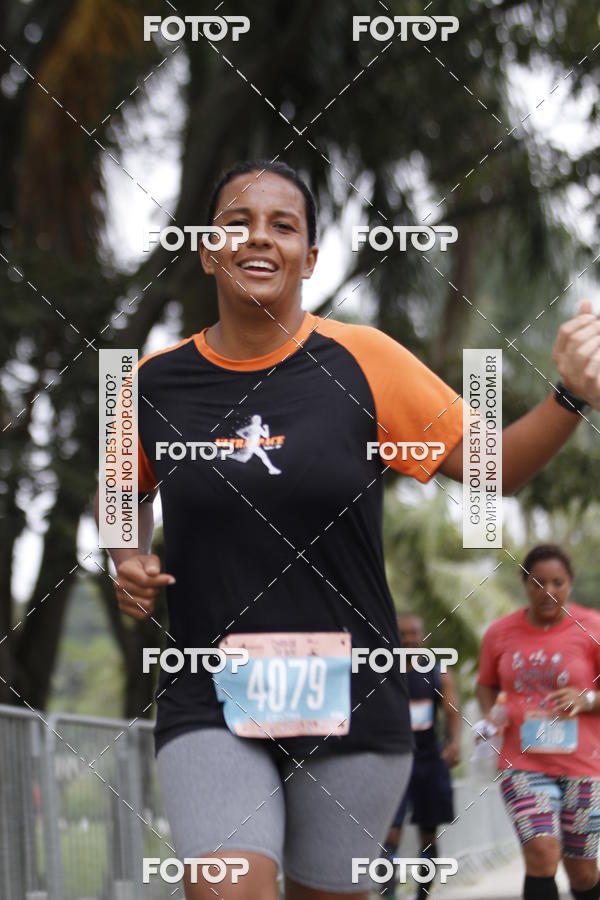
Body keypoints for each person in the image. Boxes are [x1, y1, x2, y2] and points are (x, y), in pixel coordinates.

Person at [95, 159, 600, 900]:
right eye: (236, 223)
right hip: (211, 695)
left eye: (283, 225)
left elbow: (493, 470)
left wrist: (571, 395)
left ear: (310, 256)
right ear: (206, 248)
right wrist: (126, 555)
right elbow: (119, 494)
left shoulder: (365, 360)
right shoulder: (149, 383)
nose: (258, 238)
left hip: (354, 697)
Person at [477, 544, 600, 900]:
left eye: (558, 583)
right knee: (542, 852)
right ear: (525, 584)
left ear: (570, 584)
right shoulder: (500, 633)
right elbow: (486, 684)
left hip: (583, 766)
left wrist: (586, 699)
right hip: (523, 764)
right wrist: (491, 715)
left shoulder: (591, 628)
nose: (548, 592)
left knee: (582, 869)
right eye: (538, 582)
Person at [383, 613, 462, 899]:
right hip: (394, 760)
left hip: (429, 761)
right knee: (389, 835)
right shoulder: (384, 671)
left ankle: (422, 895)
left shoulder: (438, 672)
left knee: (428, 836)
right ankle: (388, 894)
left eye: (413, 634)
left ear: (422, 636)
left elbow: (452, 712)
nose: (408, 640)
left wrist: (454, 744)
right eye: (402, 635)